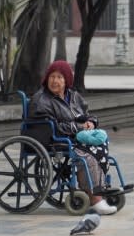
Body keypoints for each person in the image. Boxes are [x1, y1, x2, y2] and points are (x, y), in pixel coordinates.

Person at [30, 60, 117, 215]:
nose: (55, 81)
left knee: (101, 145)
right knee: (87, 155)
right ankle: (95, 198)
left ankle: (98, 190)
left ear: (66, 81)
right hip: (56, 140)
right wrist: (79, 128)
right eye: (52, 76)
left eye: (59, 77)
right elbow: (52, 127)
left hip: (76, 138)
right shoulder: (42, 100)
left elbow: (87, 115)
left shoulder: (74, 96)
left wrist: (91, 122)